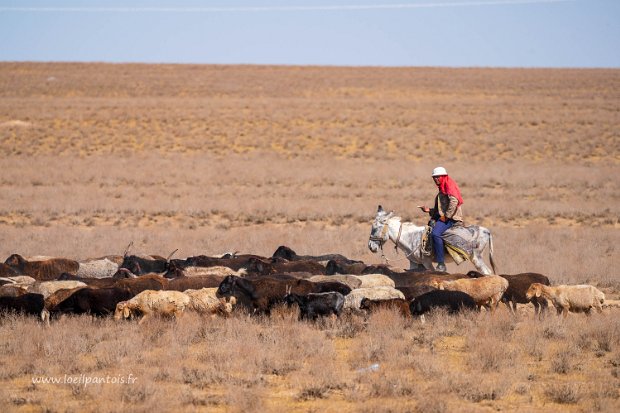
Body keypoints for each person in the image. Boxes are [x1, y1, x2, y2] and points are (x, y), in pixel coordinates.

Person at [418, 166, 463, 272]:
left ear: (444, 176)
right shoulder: (442, 188)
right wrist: (429, 210)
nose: (436, 179)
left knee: (435, 233)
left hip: (452, 218)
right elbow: (441, 209)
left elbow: (454, 201)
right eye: (434, 177)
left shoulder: (449, 185)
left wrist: (446, 217)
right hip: (446, 216)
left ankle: (441, 263)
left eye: (438, 177)